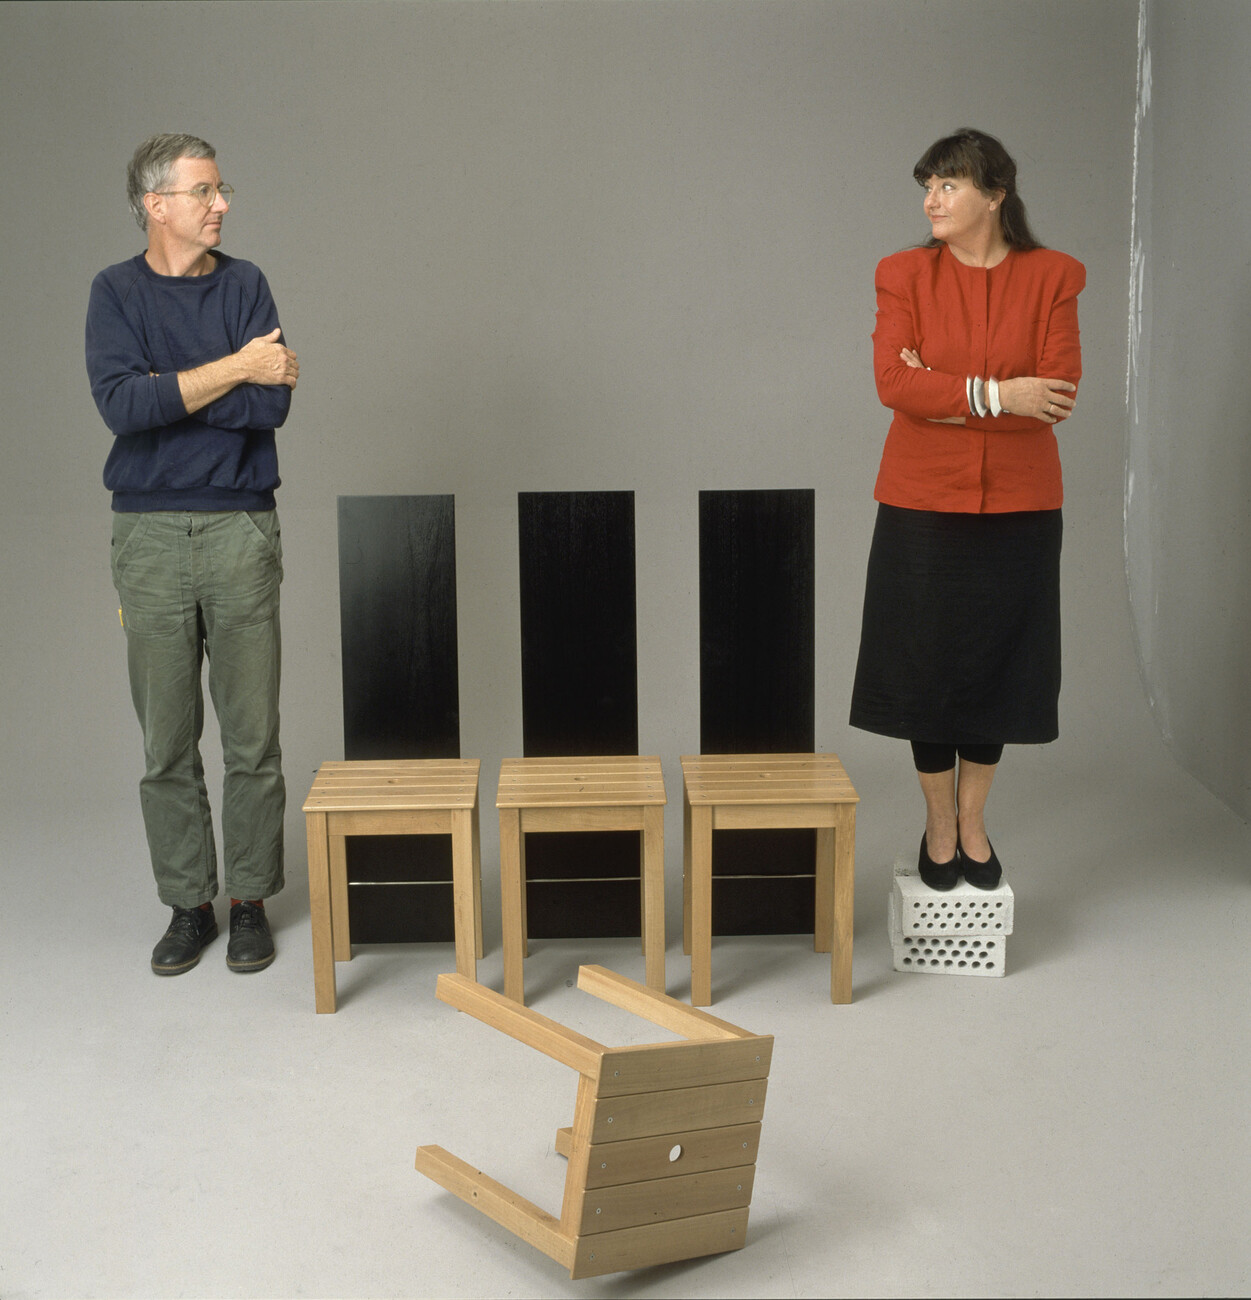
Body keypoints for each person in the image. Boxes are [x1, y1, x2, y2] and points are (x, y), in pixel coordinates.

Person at [849, 128, 1084, 892]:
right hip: (922, 501)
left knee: (998, 665)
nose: (930, 200)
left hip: (1020, 504)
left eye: (948, 185)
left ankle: (974, 822)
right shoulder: (901, 274)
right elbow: (893, 384)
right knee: (926, 666)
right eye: (927, 185)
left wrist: (944, 394)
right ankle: (938, 825)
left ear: (995, 194)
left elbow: (1053, 397)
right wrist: (994, 393)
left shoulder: (1054, 277)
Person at [86, 133, 299, 972]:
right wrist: (238, 370)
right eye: (206, 191)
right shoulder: (113, 292)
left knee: (253, 737)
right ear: (156, 204)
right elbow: (121, 410)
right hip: (146, 536)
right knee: (165, 743)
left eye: (222, 189)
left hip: (241, 529)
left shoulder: (246, 284)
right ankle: (188, 905)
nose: (222, 204)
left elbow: (271, 411)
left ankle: (248, 901)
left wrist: (173, 390)